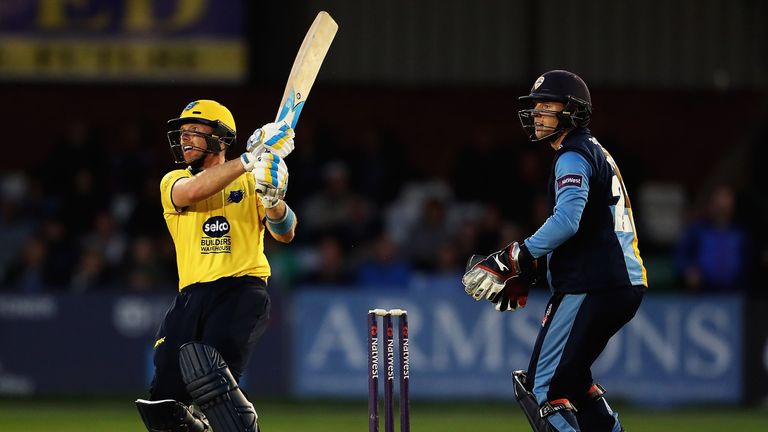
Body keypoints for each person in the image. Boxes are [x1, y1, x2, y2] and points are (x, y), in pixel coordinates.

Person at [462, 70, 646, 432]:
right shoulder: (595, 151)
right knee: (573, 382)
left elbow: (567, 222)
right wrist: (532, 269)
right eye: (537, 107)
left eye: (548, 106)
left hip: (590, 284)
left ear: (573, 112)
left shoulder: (572, 155)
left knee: (538, 389)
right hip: (622, 283)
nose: (538, 114)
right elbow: (588, 225)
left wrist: (512, 259)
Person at [135, 99, 297, 432]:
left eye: (196, 131)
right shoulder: (174, 180)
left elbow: (286, 232)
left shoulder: (252, 181)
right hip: (189, 297)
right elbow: (193, 191)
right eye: (183, 132)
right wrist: (250, 159)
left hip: (241, 289)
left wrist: (273, 201)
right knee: (163, 408)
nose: (185, 138)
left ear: (221, 139)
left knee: (212, 384)